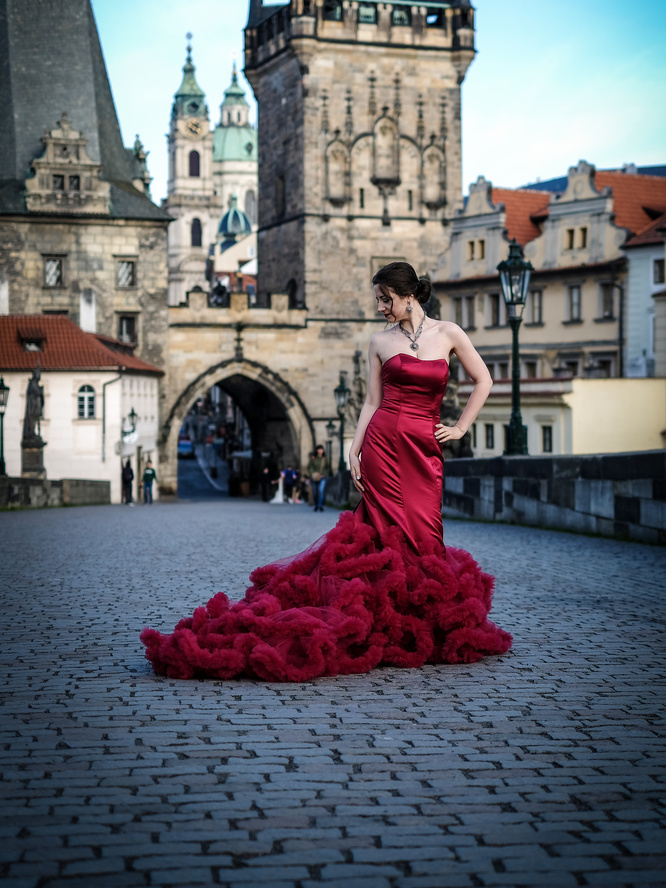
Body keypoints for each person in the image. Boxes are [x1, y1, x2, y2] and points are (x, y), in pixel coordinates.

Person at [141, 261, 512, 681]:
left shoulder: (449, 333)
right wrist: (353, 449)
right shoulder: (379, 341)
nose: (379, 307)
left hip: (424, 448)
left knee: (427, 531)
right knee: (382, 529)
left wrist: (461, 426)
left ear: (406, 295)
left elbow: (484, 380)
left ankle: (420, 618)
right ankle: (384, 618)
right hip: (383, 445)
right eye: (377, 299)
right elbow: (372, 402)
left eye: (384, 299)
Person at [307, 444, 329, 511]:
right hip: (314, 477)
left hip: (322, 477)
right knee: (315, 492)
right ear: (316, 450)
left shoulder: (325, 459)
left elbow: (327, 468)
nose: (320, 451)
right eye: (319, 449)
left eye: (321, 449)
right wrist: (313, 473)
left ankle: (320, 505)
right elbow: (309, 467)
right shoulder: (313, 458)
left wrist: (323, 474)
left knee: (321, 491)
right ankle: (316, 505)